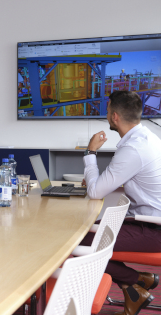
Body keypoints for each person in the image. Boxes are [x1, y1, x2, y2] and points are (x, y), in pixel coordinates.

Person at [82, 90, 161, 315]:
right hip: (148, 222)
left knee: (73, 243)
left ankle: (137, 281)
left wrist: (90, 151)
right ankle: (133, 288)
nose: (106, 115)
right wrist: (99, 180)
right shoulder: (146, 138)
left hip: (153, 231)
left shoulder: (133, 149)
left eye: (107, 111)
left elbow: (95, 192)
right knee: (86, 234)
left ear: (114, 116)